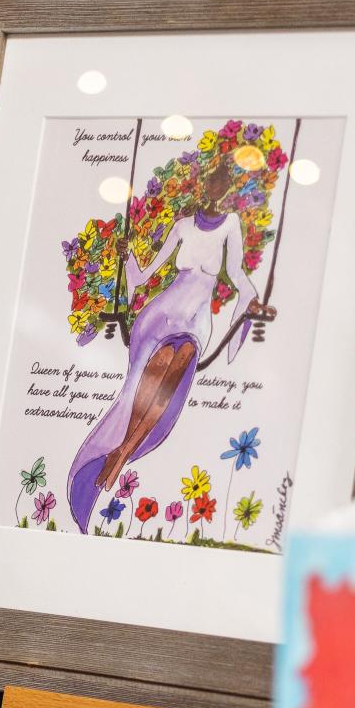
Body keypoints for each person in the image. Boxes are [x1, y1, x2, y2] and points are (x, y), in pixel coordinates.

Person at [67, 154, 264, 533]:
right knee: (149, 383)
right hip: (162, 314)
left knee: (172, 379)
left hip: (197, 320)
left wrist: (251, 299)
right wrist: (127, 258)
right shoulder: (183, 225)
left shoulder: (231, 225)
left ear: (228, 190)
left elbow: (236, 273)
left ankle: (122, 452)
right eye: (213, 182)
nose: (217, 188)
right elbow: (144, 277)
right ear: (206, 185)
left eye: (223, 184)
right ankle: (116, 452)